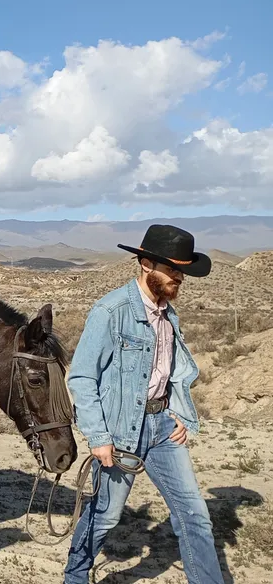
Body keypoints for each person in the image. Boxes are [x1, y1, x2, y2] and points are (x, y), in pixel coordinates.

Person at [64, 224, 224, 583]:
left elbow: (170, 372)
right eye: (172, 269)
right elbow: (82, 378)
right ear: (146, 264)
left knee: (195, 515)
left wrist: (179, 412)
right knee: (105, 515)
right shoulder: (111, 311)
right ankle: (74, 578)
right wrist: (98, 437)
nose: (178, 277)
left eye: (182, 271)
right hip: (121, 431)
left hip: (164, 427)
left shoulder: (168, 314)